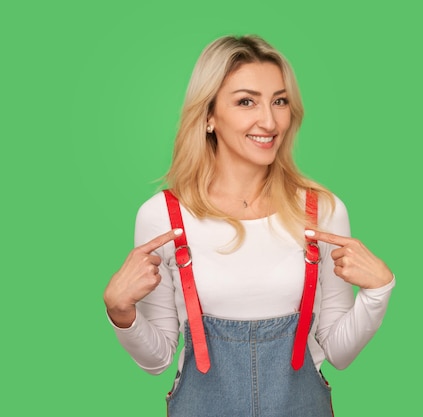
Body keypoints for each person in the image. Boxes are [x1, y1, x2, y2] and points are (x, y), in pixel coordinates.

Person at [103, 34, 396, 416]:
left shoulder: (320, 210)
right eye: (246, 102)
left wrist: (378, 292)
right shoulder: (164, 216)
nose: (270, 121)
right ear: (208, 116)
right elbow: (157, 358)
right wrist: (120, 312)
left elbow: (338, 352)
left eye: (280, 101)